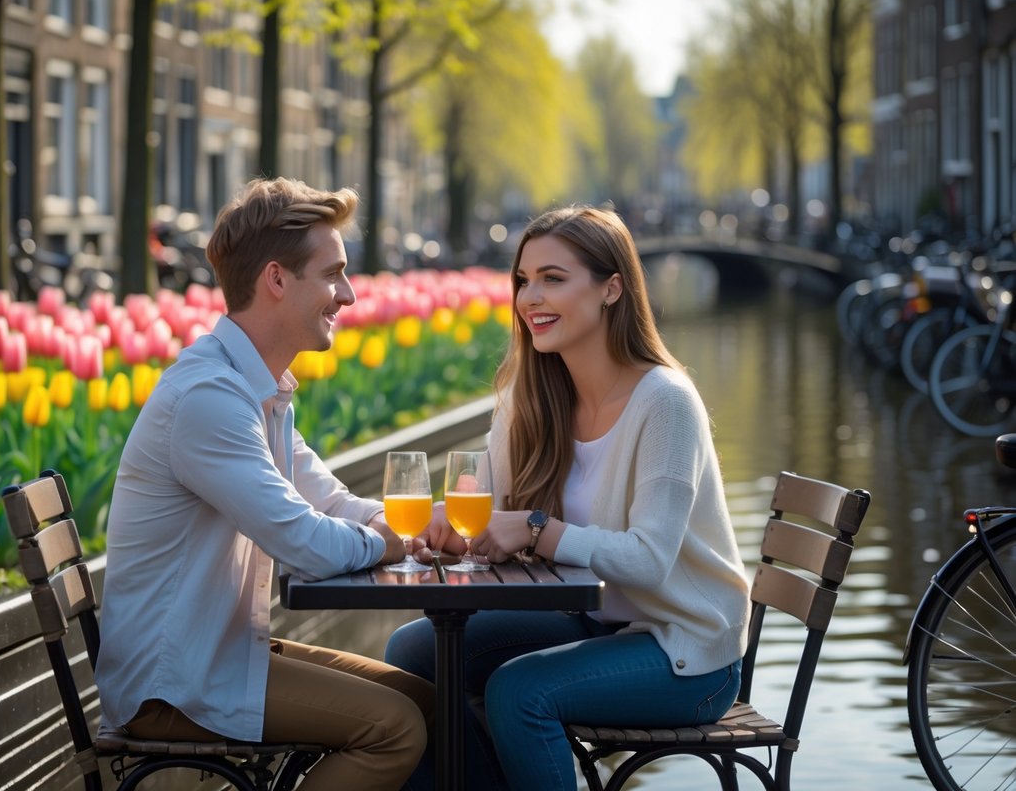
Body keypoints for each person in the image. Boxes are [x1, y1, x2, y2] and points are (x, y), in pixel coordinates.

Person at [386, 204, 751, 790]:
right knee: (412, 654)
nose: (530, 297)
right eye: (523, 281)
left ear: (612, 289)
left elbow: (649, 559)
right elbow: (485, 512)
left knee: (519, 691)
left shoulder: (666, 403)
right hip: (591, 622)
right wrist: (438, 525)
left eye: (553, 279)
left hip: (685, 649)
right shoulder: (528, 398)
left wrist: (537, 529)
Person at [96, 177, 432, 791]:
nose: (349, 295)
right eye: (332, 275)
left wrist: (414, 525)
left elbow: (326, 500)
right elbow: (303, 539)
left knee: (427, 699)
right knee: (399, 728)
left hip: (221, 653)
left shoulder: (256, 390)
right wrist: (390, 542)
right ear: (277, 279)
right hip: (177, 682)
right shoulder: (210, 399)